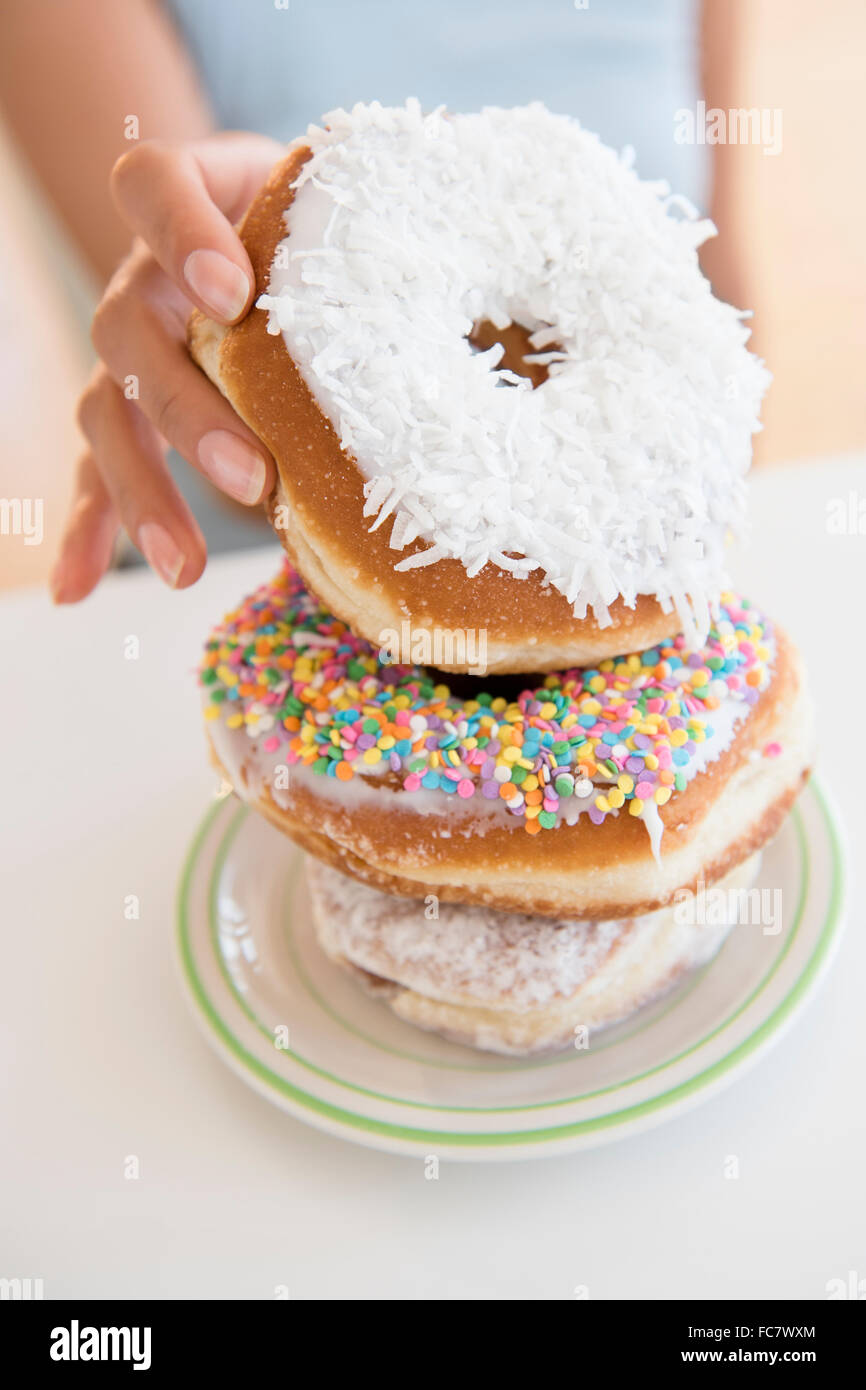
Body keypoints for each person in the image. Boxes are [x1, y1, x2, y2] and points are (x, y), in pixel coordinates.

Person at [0, 0, 707, 601]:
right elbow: (245, 445)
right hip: (230, 598)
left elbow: (716, 304)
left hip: (650, 602)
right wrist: (253, 252)